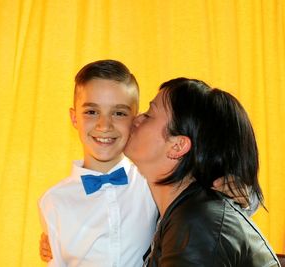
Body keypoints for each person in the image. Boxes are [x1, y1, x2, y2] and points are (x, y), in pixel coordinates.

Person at [38, 61, 257, 267]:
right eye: (92, 112)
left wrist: (232, 186)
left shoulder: (152, 179)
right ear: (74, 118)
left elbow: (224, 215)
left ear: (134, 119)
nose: (104, 125)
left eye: (119, 113)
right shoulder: (54, 202)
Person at [123, 77, 280, 266]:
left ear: (177, 146)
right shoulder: (190, 212)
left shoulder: (196, 223)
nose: (136, 119)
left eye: (148, 115)